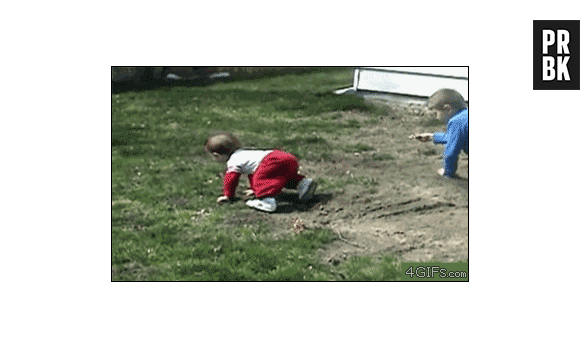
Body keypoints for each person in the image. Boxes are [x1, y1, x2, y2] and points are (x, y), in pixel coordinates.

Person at [204, 133, 317, 212]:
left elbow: (231, 179)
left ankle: (267, 202)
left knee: (262, 179)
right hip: (285, 157)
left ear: (216, 155)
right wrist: (255, 189)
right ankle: (303, 183)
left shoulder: (233, 161)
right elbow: (253, 170)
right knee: (279, 177)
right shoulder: (243, 153)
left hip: (271, 161)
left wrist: (228, 195)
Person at [412, 88, 468, 178]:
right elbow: (455, 138)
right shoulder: (465, 117)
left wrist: (448, 172)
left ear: (447, 109)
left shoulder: (456, 122)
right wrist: (433, 137)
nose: (436, 118)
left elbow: (451, 153)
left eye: (436, 113)